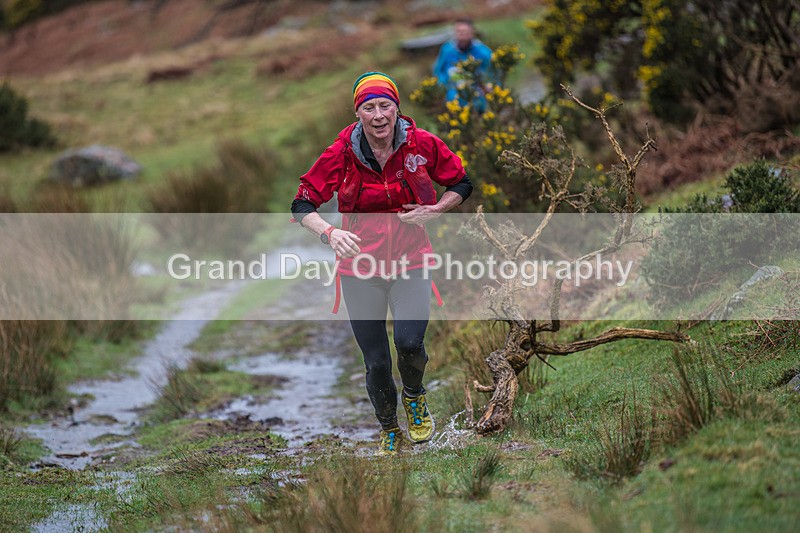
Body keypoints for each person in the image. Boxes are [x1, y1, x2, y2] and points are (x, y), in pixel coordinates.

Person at [290, 72, 473, 455]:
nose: (378, 115)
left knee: (409, 343)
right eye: (369, 107)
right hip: (359, 271)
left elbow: (461, 183)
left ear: (397, 109)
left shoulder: (422, 144)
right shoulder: (340, 154)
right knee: (375, 363)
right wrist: (330, 233)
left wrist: (436, 209)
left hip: (411, 262)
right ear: (357, 113)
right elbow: (302, 204)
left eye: (385, 106)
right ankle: (390, 429)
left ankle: (414, 396)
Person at [433, 19, 494, 108]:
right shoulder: (447, 49)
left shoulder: (483, 52)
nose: (461, 34)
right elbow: (438, 70)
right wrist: (442, 86)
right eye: (458, 31)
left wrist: (489, 85)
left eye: (464, 31)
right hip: (453, 99)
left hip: (477, 98)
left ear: (472, 32)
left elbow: (493, 71)